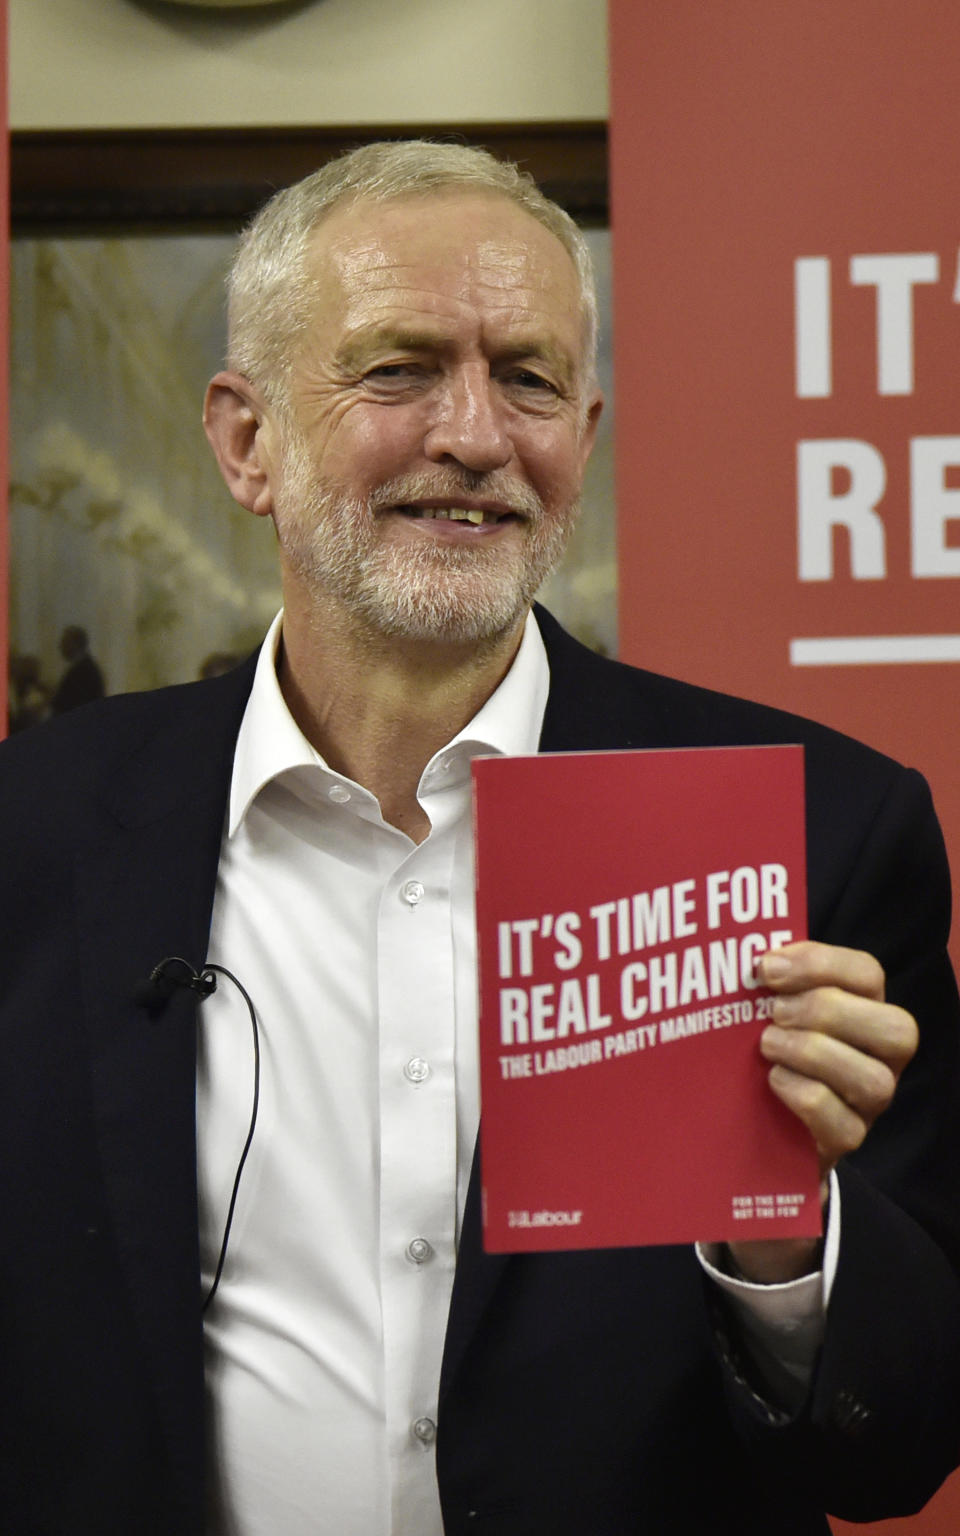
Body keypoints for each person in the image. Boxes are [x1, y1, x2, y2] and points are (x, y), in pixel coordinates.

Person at [1, 140, 959, 1536]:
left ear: (585, 430)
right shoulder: (35, 835)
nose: (474, 435)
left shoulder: (820, 830)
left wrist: (786, 1235)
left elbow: (897, 1450)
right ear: (246, 438)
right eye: (397, 369)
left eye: (528, 378)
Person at [49, 622, 106, 713]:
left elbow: (70, 702)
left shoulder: (84, 671)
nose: (60, 646)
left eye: (64, 642)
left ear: (75, 644)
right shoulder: (85, 668)